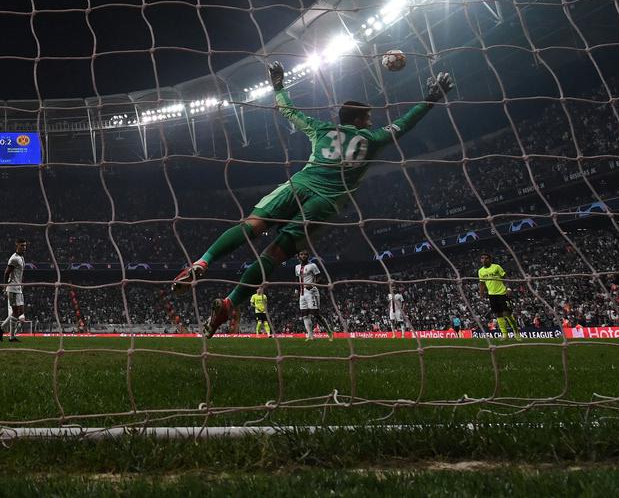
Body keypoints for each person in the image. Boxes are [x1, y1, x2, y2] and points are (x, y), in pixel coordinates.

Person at [191, 62, 455, 338]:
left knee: (252, 224)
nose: (370, 121)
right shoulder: (371, 139)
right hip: (325, 203)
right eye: (367, 118)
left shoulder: (321, 129)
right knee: (274, 254)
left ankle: (202, 262)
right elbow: (403, 124)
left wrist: (278, 85)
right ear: (357, 120)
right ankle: (229, 303)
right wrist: (430, 99)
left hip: (298, 186)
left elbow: (288, 111)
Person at [295, 251, 336, 340]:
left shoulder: (312, 265)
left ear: (308, 256)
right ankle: (310, 335)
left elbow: (320, 278)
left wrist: (312, 284)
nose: (303, 256)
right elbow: (297, 279)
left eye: (305, 254)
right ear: (298, 256)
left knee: (315, 314)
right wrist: (296, 290)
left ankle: (329, 331)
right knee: (304, 315)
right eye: (301, 254)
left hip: (311, 292)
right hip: (302, 294)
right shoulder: (297, 267)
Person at [479, 252, 519, 339]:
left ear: (490, 259)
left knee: (507, 314)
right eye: (482, 258)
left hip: (502, 293)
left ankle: (516, 331)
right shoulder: (480, 271)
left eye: (486, 258)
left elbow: (505, 277)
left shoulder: (496, 267)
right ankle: (505, 334)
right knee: (498, 315)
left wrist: (508, 288)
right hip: (492, 295)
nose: (484, 260)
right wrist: (481, 295)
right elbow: (482, 283)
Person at [0, 239, 28, 342]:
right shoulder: (14, 259)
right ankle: (11, 337)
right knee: (15, 312)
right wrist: (5, 286)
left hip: (18, 288)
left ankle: (1, 329)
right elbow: (6, 273)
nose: (24, 247)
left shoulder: (21, 257)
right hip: (13, 288)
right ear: (17, 246)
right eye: (22, 245)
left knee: (20, 312)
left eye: (25, 245)